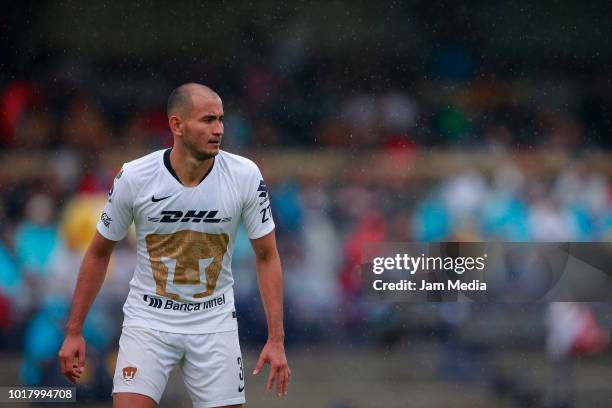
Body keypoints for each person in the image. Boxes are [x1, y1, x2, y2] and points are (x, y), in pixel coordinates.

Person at [58, 83, 290, 408]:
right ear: (177, 126)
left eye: (221, 119)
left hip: (214, 323)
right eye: (208, 120)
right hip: (148, 320)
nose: (219, 129)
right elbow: (99, 251)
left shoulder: (245, 175)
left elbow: (268, 256)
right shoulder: (135, 177)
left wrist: (276, 339)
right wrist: (74, 331)